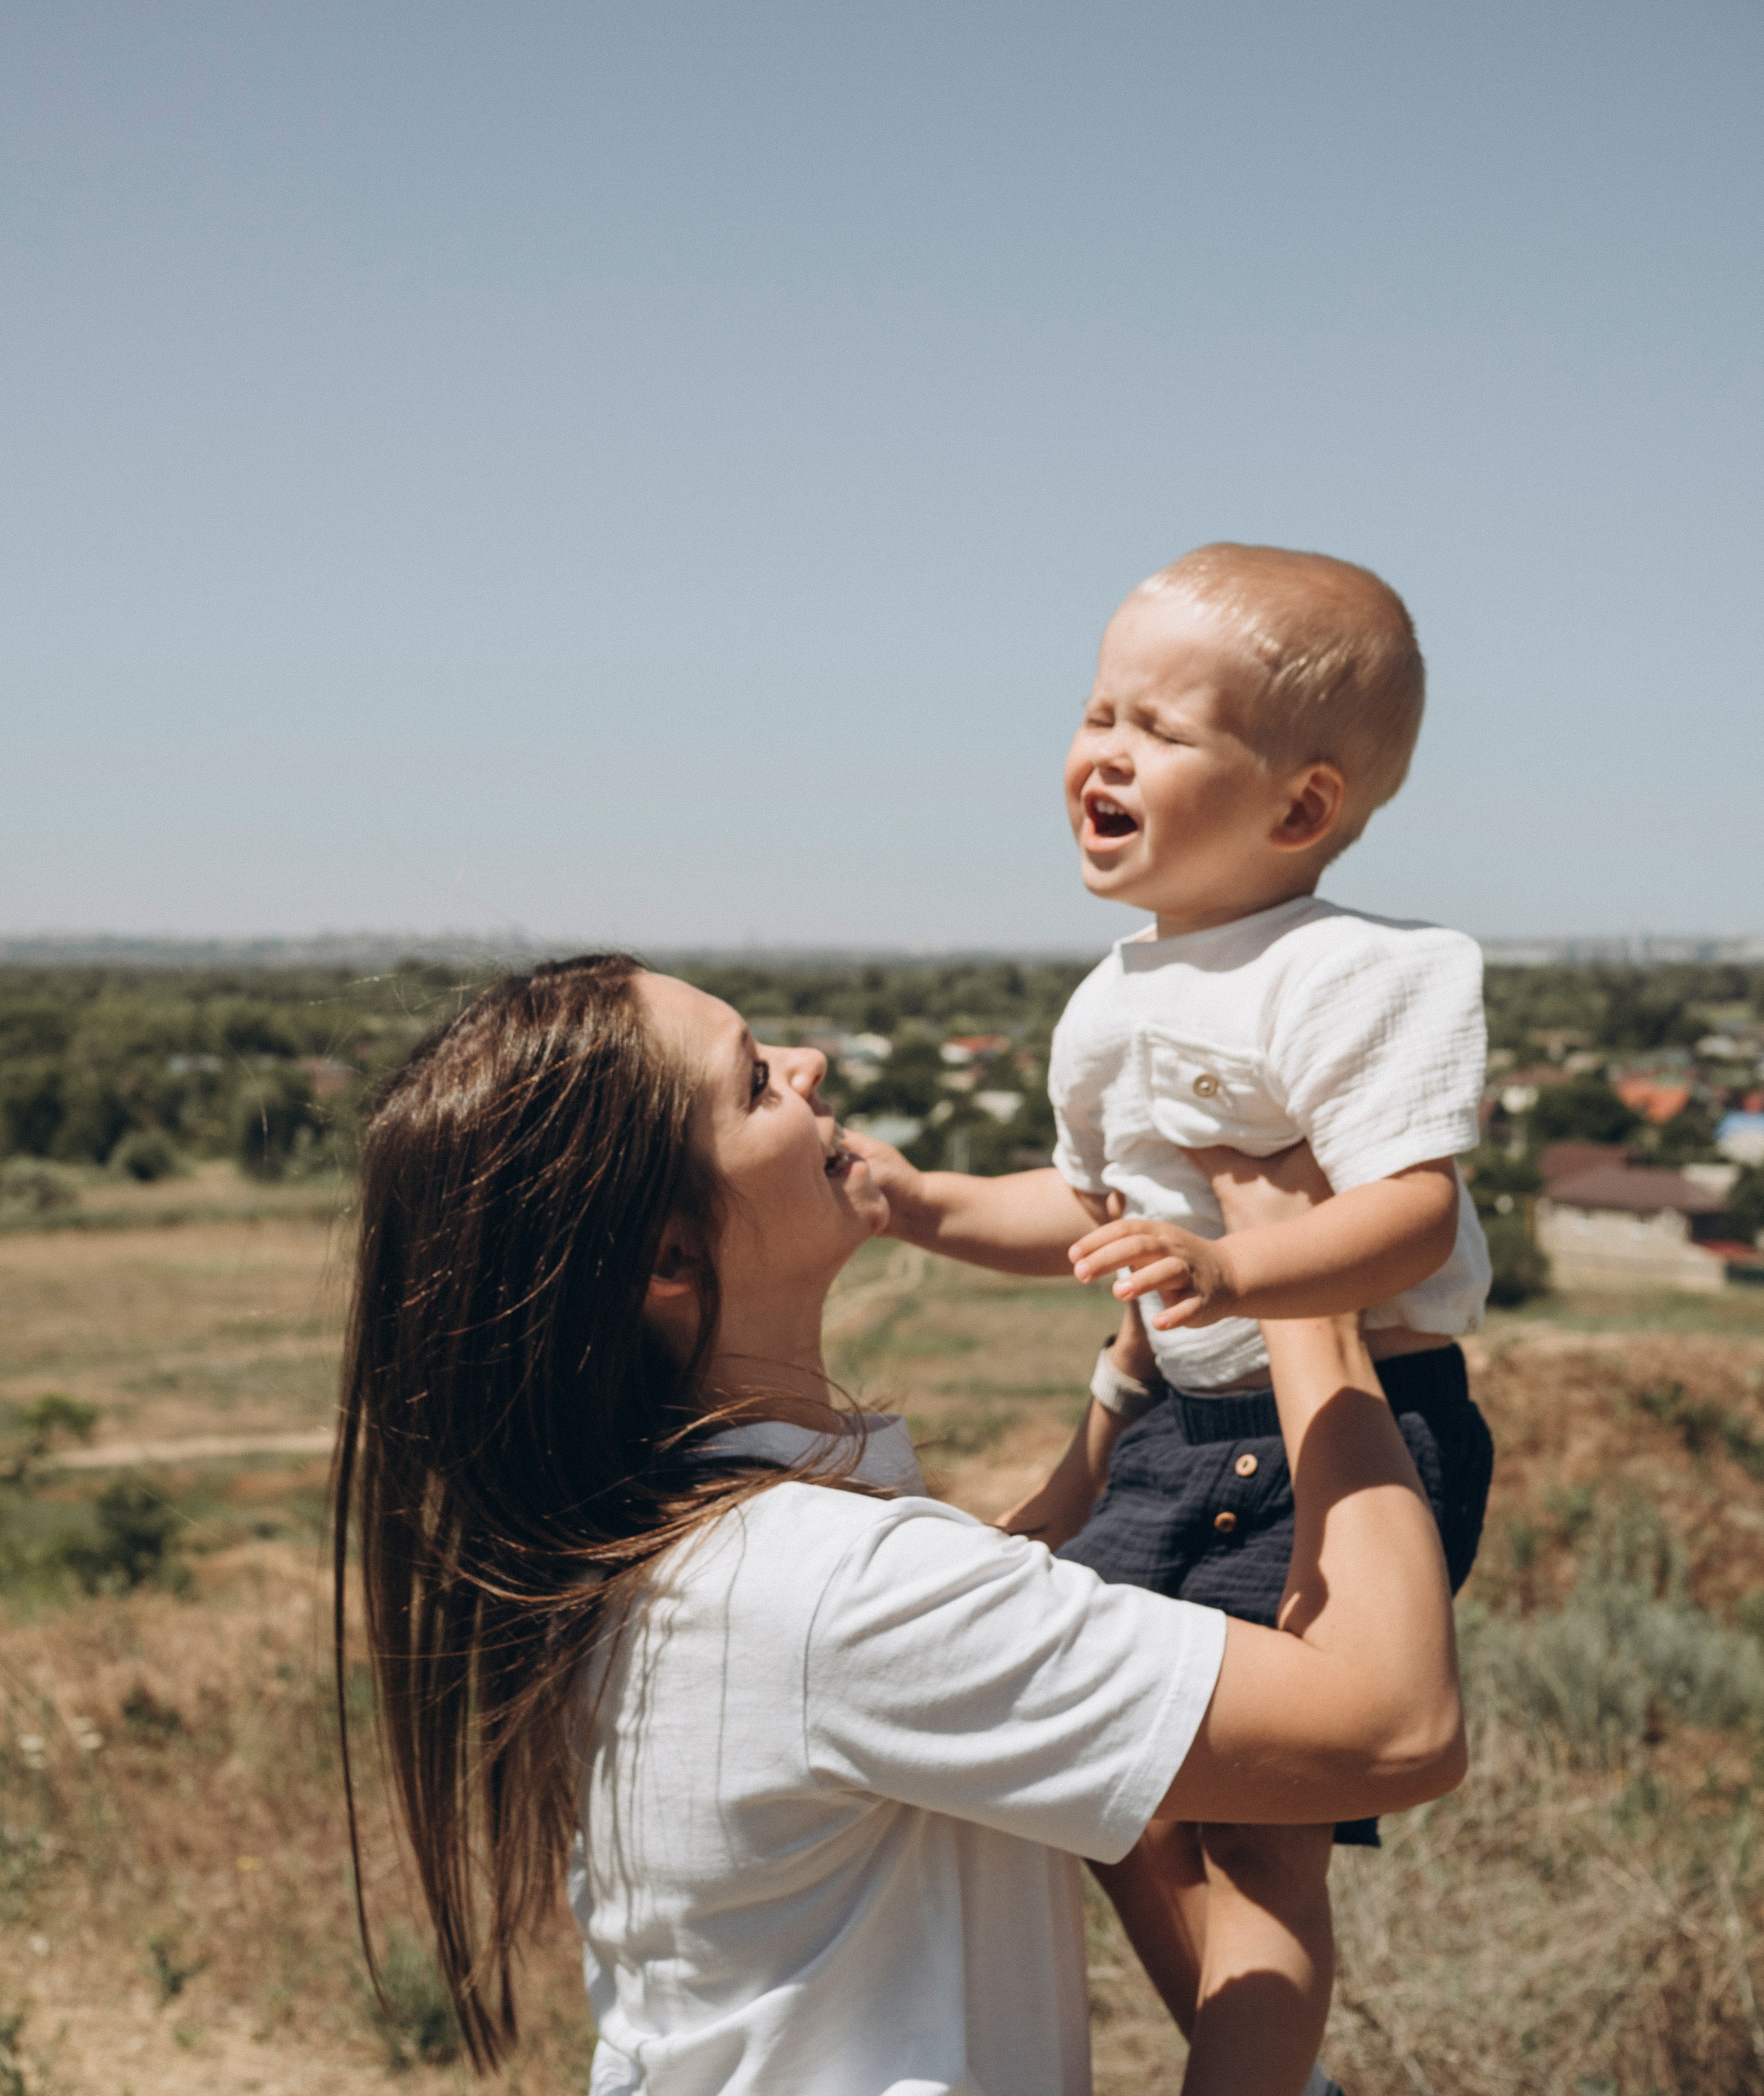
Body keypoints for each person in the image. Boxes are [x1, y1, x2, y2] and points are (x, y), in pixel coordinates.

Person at [333, 954, 1466, 2095]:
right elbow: (1397, 1725)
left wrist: (1121, 1394)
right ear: (670, 1258)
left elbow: (978, 1614)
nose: (809, 1064)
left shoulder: (648, 1552)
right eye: (756, 1082)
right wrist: (1307, 1298)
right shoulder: (832, 1590)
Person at [863, 544, 1495, 2096]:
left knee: (1266, 1837)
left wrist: (1235, 1271)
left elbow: (1409, 1210)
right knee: (1111, 1783)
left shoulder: (1366, 973)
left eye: (1157, 727)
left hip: (1347, 1430)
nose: (1102, 751)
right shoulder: (1112, 1000)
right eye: (1095, 712)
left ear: (1299, 806)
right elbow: (1089, 1208)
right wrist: (927, 1203)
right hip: (1175, 1440)